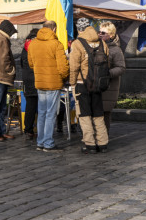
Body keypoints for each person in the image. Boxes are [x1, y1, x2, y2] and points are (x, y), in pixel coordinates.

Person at [27, 21, 69, 152]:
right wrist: (63, 78)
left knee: (42, 113)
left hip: (40, 82)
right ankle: (48, 143)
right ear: (54, 29)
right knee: (50, 113)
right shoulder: (56, 44)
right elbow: (63, 67)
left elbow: (31, 64)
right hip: (53, 82)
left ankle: (40, 142)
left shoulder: (33, 43)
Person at [70, 17, 109, 154]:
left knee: (84, 115)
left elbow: (74, 66)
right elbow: (107, 63)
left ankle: (90, 144)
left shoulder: (77, 43)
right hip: (98, 83)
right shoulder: (102, 43)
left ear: (79, 29)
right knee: (98, 114)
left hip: (82, 83)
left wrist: (72, 83)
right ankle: (103, 143)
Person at [99, 21, 126, 134]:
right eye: (99, 32)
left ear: (110, 35)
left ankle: (103, 138)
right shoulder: (96, 46)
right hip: (96, 86)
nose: (100, 34)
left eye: (103, 33)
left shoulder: (115, 50)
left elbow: (121, 67)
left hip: (109, 87)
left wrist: (107, 73)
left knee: (105, 114)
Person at [18, 29, 39, 140]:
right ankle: (36, 129)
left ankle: (28, 129)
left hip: (27, 78)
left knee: (30, 104)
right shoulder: (37, 46)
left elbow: (21, 63)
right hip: (36, 77)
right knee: (39, 105)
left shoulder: (25, 47)